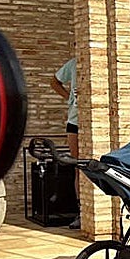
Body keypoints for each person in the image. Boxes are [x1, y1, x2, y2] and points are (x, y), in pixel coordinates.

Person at [50, 56, 80, 228]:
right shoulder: (73, 64)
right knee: (78, 167)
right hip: (74, 122)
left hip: (96, 122)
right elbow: (54, 82)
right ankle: (81, 212)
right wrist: (69, 97)